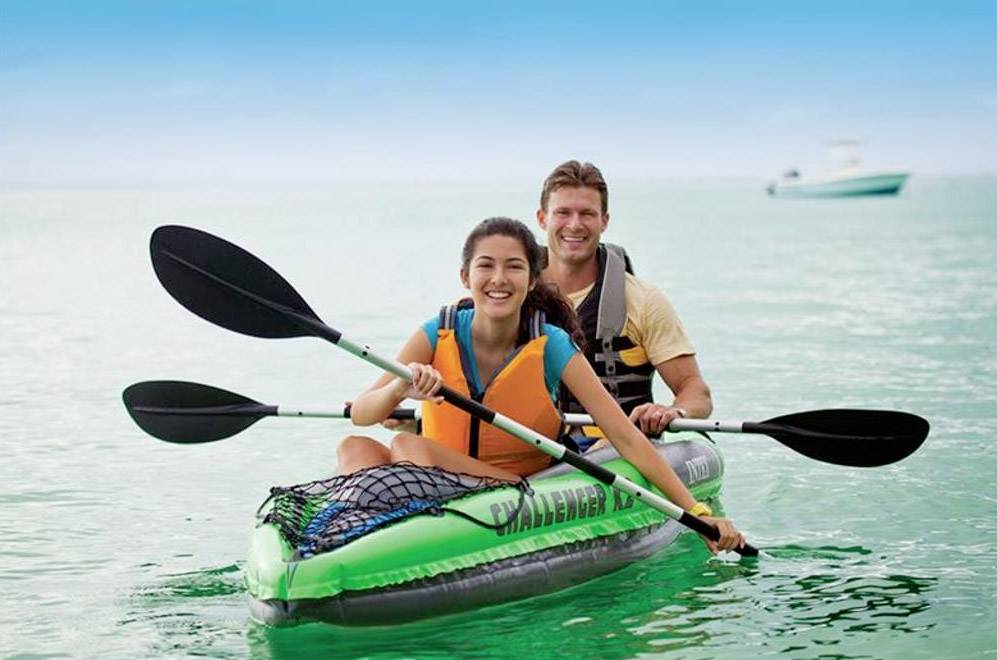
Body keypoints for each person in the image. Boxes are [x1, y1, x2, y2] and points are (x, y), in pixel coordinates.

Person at [338, 217, 744, 553]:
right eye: (486, 265)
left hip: (517, 486)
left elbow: (625, 436)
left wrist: (696, 512)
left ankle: (387, 535)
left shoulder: (550, 345)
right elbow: (361, 413)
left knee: (410, 446)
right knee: (354, 448)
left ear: (533, 279)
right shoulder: (436, 332)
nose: (499, 279)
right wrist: (399, 390)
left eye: (514, 266)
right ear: (465, 276)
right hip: (441, 472)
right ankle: (350, 538)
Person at [537, 160, 713, 449]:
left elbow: (696, 391)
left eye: (587, 214)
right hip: (538, 448)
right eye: (563, 213)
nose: (575, 224)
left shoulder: (643, 300)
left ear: (604, 221)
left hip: (616, 452)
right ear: (542, 218)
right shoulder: (514, 295)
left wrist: (673, 411)